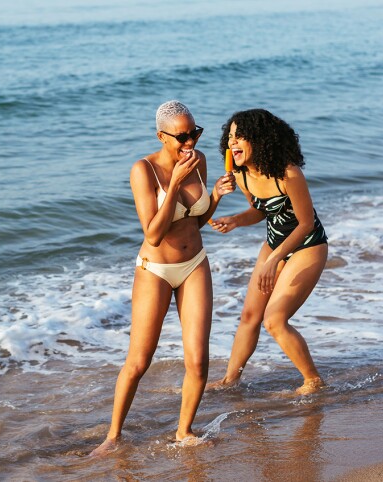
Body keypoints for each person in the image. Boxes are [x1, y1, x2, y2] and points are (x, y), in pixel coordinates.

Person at [90, 101, 235, 456]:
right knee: (139, 361)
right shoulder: (144, 170)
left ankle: (184, 431)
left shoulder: (198, 161)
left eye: (195, 133)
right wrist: (175, 186)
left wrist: (214, 195)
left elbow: (194, 221)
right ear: (161, 135)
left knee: (198, 360)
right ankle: (112, 436)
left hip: (195, 263)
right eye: (182, 136)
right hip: (155, 269)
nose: (190, 141)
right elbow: (154, 234)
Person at [207, 108, 328, 396]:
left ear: (260, 140)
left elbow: (306, 222)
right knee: (250, 315)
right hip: (274, 245)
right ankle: (230, 380)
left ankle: (313, 381)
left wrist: (274, 260)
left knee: (274, 320)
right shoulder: (242, 173)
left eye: (241, 137)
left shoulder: (288, 173)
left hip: (307, 245)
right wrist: (236, 219)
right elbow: (260, 211)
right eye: (230, 137)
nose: (232, 143)